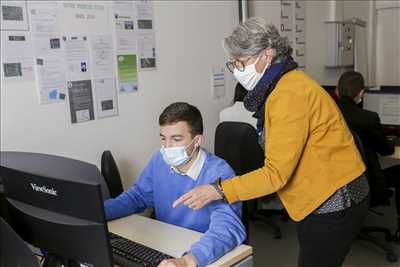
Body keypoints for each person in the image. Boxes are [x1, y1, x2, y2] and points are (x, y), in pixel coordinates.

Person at [173, 17, 370, 267]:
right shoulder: (285, 84)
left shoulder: (288, 94)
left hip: (334, 202)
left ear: (267, 55)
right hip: (324, 195)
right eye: (232, 63)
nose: (236, 70)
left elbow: (276, 174)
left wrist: (219, 190)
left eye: (241, 62)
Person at [104, 102, 246, 267]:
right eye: (163, 139)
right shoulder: (159, 160)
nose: (167, 147)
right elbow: (137, 197)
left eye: (176, 139)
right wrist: (98, 212)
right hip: (165, 245)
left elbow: (227, 229)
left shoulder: (219, 172)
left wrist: (187, 261)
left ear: (197, 140)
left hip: (201, 253)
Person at [335, 71, 400, 241]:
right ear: (361, 93)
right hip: (365, 185)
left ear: (336, 91)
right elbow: (386, 150)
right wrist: (392, 142)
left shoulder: (326, 115)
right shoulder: (368, 118)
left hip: (335, 185)